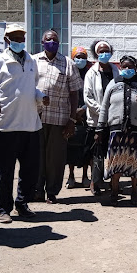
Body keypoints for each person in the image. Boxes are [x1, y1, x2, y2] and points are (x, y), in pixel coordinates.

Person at [0, 24, 47, 223]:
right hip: (6, 126)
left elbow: (33, 87)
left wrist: (41, 96)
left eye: (22, 37)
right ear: (6, 40)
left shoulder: (31, 60)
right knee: (5, 171)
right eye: (15, 37)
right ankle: (3, 208)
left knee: (30, 169)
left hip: (30, 124)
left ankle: (22, 203)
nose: (19, 41)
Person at [97, 55, 137, 206]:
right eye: (124, 67)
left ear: (135, 68)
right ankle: (114, 192)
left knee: (135, 162)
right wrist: (100, 127)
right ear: (120, 67)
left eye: (130, 67)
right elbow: (105, 107)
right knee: (115, 162)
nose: (127, 69)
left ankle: (134, 191)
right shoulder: (113, 83)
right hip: (116, 129)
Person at [34, 29, 81, 204]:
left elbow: (74, 94)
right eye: (48, 39)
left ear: (59, 43)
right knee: (36, 156)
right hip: (36, 118)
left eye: (54, 40)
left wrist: (72, 119)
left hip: (59, 119)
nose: (51, 42)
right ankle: (37, 190)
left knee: (55, 159)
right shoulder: (33, 61)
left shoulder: (68, 64)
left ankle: (52, 192)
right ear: (42, 42)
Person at [85, 40, 119, 196]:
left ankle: (113, 182)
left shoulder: (116, 71)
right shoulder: (91, 73)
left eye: (107, 50)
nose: (104, 53)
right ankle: (95, 181)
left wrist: (113, 112)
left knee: (113, 152)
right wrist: (103, 111)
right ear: (96, 54)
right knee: (97, 152)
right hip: (96, 119)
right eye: (101, 51)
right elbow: (88, 97)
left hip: (114, 119)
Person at [65, 46, 93, 189]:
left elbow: (93, 94)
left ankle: (85, 176)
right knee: (70, 148)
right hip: (71, 115)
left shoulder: (90, 73)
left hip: (87, 115)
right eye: (77, 56)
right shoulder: (68, 72)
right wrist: (73, 111)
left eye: (83, 56)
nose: (80, 59)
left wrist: (83, 109)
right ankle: (70, 176)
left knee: (85, 147)